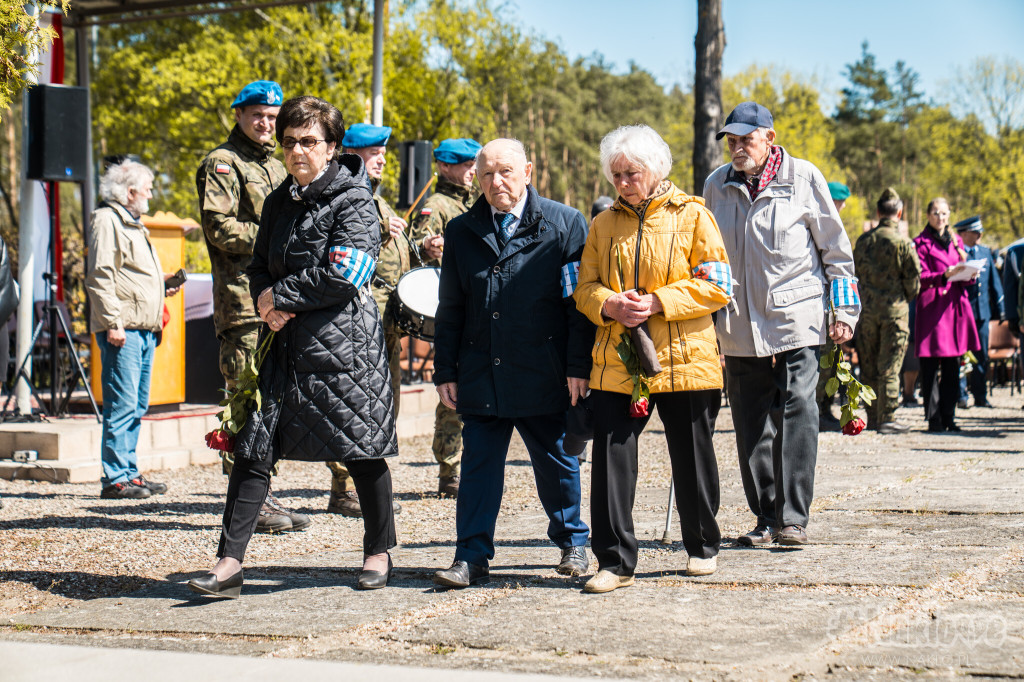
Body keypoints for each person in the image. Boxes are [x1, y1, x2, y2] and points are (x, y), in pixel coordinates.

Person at [188, 96, 398, 597]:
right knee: (254, 450)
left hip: (342, 351)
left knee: (361, 451)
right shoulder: (279, 199)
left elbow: (347, 274)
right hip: (282, 345)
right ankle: (228, 564)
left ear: (332, 147)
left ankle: (379, 550)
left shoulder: (354, 200)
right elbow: (259, 260)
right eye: (289, 142)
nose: (297, 151)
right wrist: (265, 297)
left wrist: (279, 296)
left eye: (309, 141)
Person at [574, 125, 731, 592]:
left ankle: (702, 547)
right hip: (620, 360)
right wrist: (609, 304)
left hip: (686, 358)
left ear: (657, 170)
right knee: (611, 459)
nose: (622, 183)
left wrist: (661, 301)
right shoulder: (602, 225)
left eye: (631, 173)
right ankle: (615, 561)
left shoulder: (695, 216)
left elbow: (718, 284)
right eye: (616, 175)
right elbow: (583, 289)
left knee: (693, 457)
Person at [431, 138, 591, 589]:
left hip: (544, 368)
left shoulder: (564, 224)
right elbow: (451, 307)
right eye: (486, 174)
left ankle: (573, 543)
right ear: (475, 178)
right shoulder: (463, 231)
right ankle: (471, 556)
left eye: (505, 172)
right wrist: (445, 370)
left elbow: (577, 305)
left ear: (528, 170)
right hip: (482, 370)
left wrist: (578, 366)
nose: (495, 182)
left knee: (559, 462)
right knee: (479, 467)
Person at [702, 102, 860, 546]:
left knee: (799, 412)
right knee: (751, 424)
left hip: (798, 321)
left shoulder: (804, 178)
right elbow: (706, 254)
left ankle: (793, 518)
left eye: (745, 139)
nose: (737, 148)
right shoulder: (716, 185)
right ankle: (766, 517)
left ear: (769, 138)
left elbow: (837, 254)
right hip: (737, 326)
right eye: (731, 141)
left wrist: (845, 312)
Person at [196, 80, 307, 533]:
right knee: (244, 399)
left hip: (277, 301)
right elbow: (219, 227)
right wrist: (273, 241)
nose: (266, 123)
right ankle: (248, 503)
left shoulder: (278, 166)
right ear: (239, 114)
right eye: (258, 114)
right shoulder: (224, 163)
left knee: (269, 402)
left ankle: (262, 493)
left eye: (273, 116)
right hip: (243, 304)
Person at [325, 123, 409, 518]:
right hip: (354, 320)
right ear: (350, 153)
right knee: (352, 401)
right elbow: (336, 247)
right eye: (372, 152)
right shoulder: (341, 192)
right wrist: (378, 230)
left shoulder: (377, 198)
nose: (382, 159)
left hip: (383, 319)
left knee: (379, 404)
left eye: (383, 152)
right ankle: (344, 489)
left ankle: (367, 486)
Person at [87, 160, 178, 499]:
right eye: (148, 188)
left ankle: (129, 472)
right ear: (129, 193)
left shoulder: (132, 224)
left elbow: (130, 275)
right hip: (123, 329)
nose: (151, 194)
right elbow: (100, 276)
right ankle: (114, 478)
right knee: (121, 405)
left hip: (143, 329)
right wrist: (113, 322)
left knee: (136, 405)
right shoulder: (107, 220)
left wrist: (161, 283)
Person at [408, 137, 481, 498]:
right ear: (444, 167)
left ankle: (472, 466)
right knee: (451, 392)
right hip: (451, 311)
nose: (472, 172)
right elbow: (421, 248)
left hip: (477, 310)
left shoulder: (475, 204)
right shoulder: (435, 205)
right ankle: (450, 470)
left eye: (474, 165)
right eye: (465, 165)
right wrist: (428, 246)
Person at [853, 187, 921, 433]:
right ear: (899, 213)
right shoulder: (904, 243)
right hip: (895, 314)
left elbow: (854, 275)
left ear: (878, 212)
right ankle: (888, 417)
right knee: (890, 366)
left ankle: (872, 415)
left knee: (869, 365)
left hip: (867, 314)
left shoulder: (863, 242)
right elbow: (914, 284)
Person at [913, 198, 980, 432]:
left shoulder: (956, 241)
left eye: (943, 214)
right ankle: (933, 418)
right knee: (930, 366)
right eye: (935, 213)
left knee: (953, 365)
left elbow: (962, 270)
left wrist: (970, 274)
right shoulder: (919, 243)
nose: (940, 218)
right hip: (933, 308)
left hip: (954, 308)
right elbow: (918, 278)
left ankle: (949, 416)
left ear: (949, 215)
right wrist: (943, 275)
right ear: (928, 215)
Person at [954, 216, 1003, 408]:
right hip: (961, 313)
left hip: (982, 313)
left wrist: (1002, 310)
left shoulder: (984, 252)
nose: (980, 236)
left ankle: (980, 396)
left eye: (980, 232)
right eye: (976, 232)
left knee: (981, 355)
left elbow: (994, 284)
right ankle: (961, 395)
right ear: (964, 234)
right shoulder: (957, 254)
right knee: (961, 356)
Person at [817, 181, 853, 431]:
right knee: (821, 363)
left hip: (833, 305)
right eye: (839, 203)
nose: (839, 208)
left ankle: (824, 407)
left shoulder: (835, 224)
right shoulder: (820, 222)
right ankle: (817, 409)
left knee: (831, 361)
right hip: (819, 304)